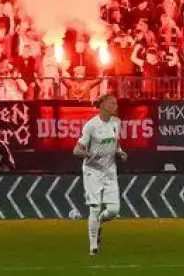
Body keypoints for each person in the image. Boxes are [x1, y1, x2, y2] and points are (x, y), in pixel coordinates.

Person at [74, 92, 125, 256]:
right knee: (95, 208)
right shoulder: (91, 126)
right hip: (92, 171)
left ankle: (100, 223)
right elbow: (76, 150)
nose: (116, 107)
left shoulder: (116, 123)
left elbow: (115, 143)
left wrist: (120, 152)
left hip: (110, 171)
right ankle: (93, 247)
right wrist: (88, 154)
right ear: (104, 106)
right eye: (113, 103)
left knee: (113, 211)